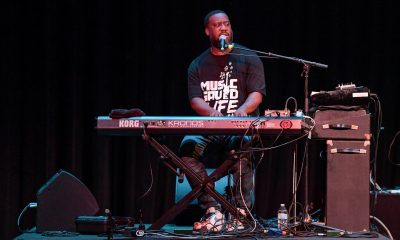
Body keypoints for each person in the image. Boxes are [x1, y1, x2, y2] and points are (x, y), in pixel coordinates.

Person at [179, 10, 266, 232]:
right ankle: (213, 209)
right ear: (208, 31)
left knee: (243, 148)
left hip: (238, 129)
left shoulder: (248, 57)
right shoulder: (197, 64)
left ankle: (240, 212)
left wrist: (243, 110)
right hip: (209, 129)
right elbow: (195, 100)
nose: (224, 28)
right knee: (188, 149)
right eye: (218, 25)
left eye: (227, 24)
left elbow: (257, 93)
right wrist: (212, 113)